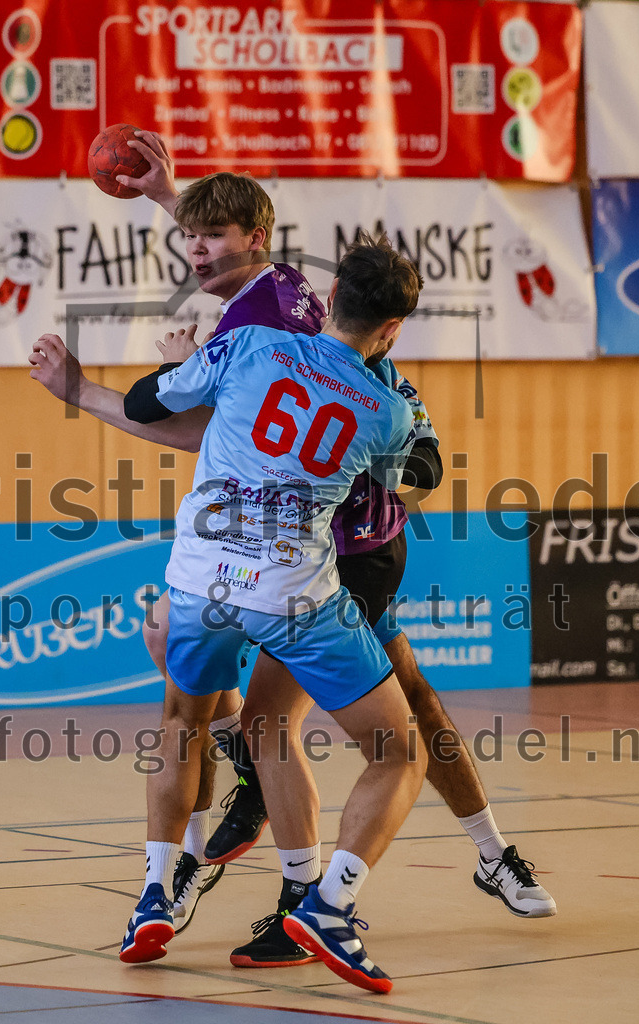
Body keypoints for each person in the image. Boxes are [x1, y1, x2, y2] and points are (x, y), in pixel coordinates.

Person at [29, 150, 556, 965]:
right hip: (289, 549)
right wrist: (170, 194)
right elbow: (241, 268)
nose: (194, 251)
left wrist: (97, 389)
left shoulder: (259, 336)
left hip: (345, 548)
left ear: (260, 242)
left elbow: (195, 425)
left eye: (211, 238)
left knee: (360, 707)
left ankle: (410, 870)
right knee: (241, 687)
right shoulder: (283, 304)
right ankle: (293, 881)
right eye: (189, 237)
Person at [116, 234, 435, 993]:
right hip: (292, 592)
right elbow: (412, 477)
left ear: (326, 303)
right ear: (390, 330)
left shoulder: (250, 345)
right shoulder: (386, 411)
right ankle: (328, 904)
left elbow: (142, 403)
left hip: (201, 583)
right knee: (397, 751)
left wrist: (175, 361)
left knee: (181, 724)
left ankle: (156, 894)